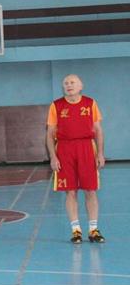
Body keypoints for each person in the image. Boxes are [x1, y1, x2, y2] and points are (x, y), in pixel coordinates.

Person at [46, 74, 105, 244]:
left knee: (90, 190)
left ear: (80, 86)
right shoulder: (56, 105)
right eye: (66, 83)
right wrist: (53, 157)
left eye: (72, 82)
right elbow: (49, 134)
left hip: (86, 148)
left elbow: (98, 130)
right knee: (70, 191)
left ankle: (93, 230)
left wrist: (100, 153)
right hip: (64, 149)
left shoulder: (90, 103)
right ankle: (76, 230)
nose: (69, 85)